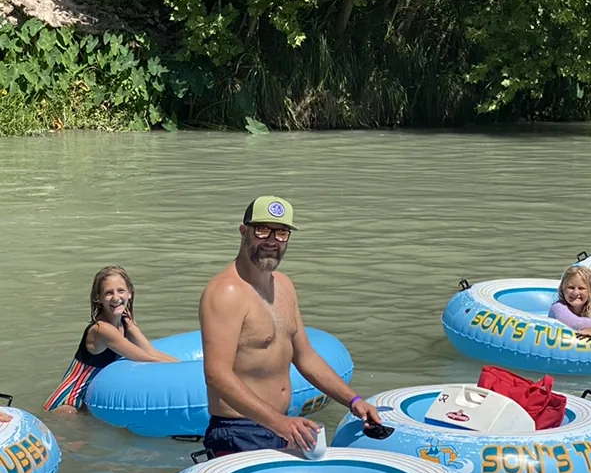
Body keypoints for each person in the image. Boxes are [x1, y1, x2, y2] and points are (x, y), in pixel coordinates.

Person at [199, 195, 382, 456]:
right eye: (262, 231)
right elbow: (216, 375)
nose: (272, 241)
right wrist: (280, 423)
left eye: (282, 233)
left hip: (281, 424)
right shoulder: (226, 292)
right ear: (243, 232)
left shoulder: (284, 286)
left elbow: (305, 357)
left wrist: (353, 401)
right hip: (239, 431)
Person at [44, 266, 177, 414]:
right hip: (68, 402)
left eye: (121, 291)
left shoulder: (126, 321)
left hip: (88, 401)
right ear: (98, 298)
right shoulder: (103, 330)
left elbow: (151, 351)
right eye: (108, 293)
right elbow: (145, 358)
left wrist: (186, 366)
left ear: (130, 294)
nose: (116, 298)